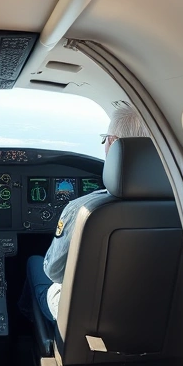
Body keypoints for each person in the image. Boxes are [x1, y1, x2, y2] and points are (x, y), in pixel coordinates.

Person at [20, 106, 151, 324]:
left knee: (35, 263)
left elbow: (54, 272)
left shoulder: (82, 209)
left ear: (113, 143)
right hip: (149, 315)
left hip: (84, 317)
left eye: (106, 140)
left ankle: (31, 324)